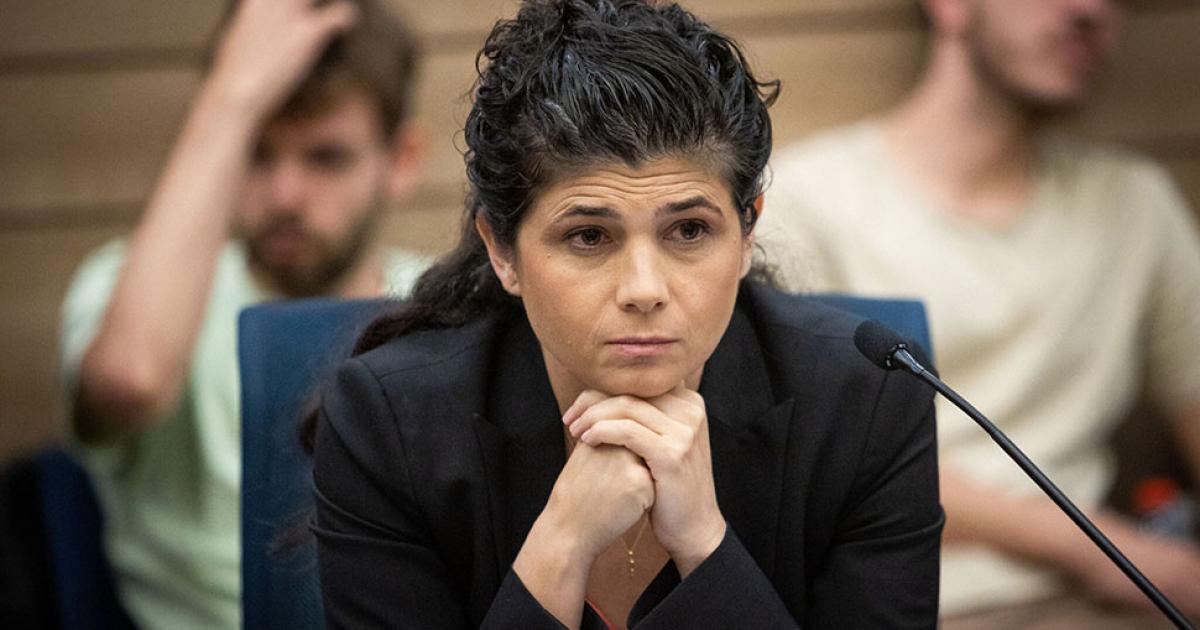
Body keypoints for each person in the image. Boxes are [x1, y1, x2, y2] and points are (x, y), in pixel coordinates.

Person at [308, 1, 944, 628]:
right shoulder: (388, 424)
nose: (644, 290)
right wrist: (561, 543)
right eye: (588, 236)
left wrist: (705, 543)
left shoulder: (869, 402)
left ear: (747, 232)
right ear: (502, 251)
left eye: (689, 230)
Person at [756, 0, 1200, 626]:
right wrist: (1102, 547)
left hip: (1112, 598)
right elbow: (831, 464)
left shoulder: (1135, 203)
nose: (1090, 11)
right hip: (921, 599)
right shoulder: (807, 203)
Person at [57, 0, 428, 627]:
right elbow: (129, 380)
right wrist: (231, 97)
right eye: (257, 152)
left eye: (326, 157)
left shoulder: (440, 306)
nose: (285, 195)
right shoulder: (131, 286)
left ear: (401, 160)